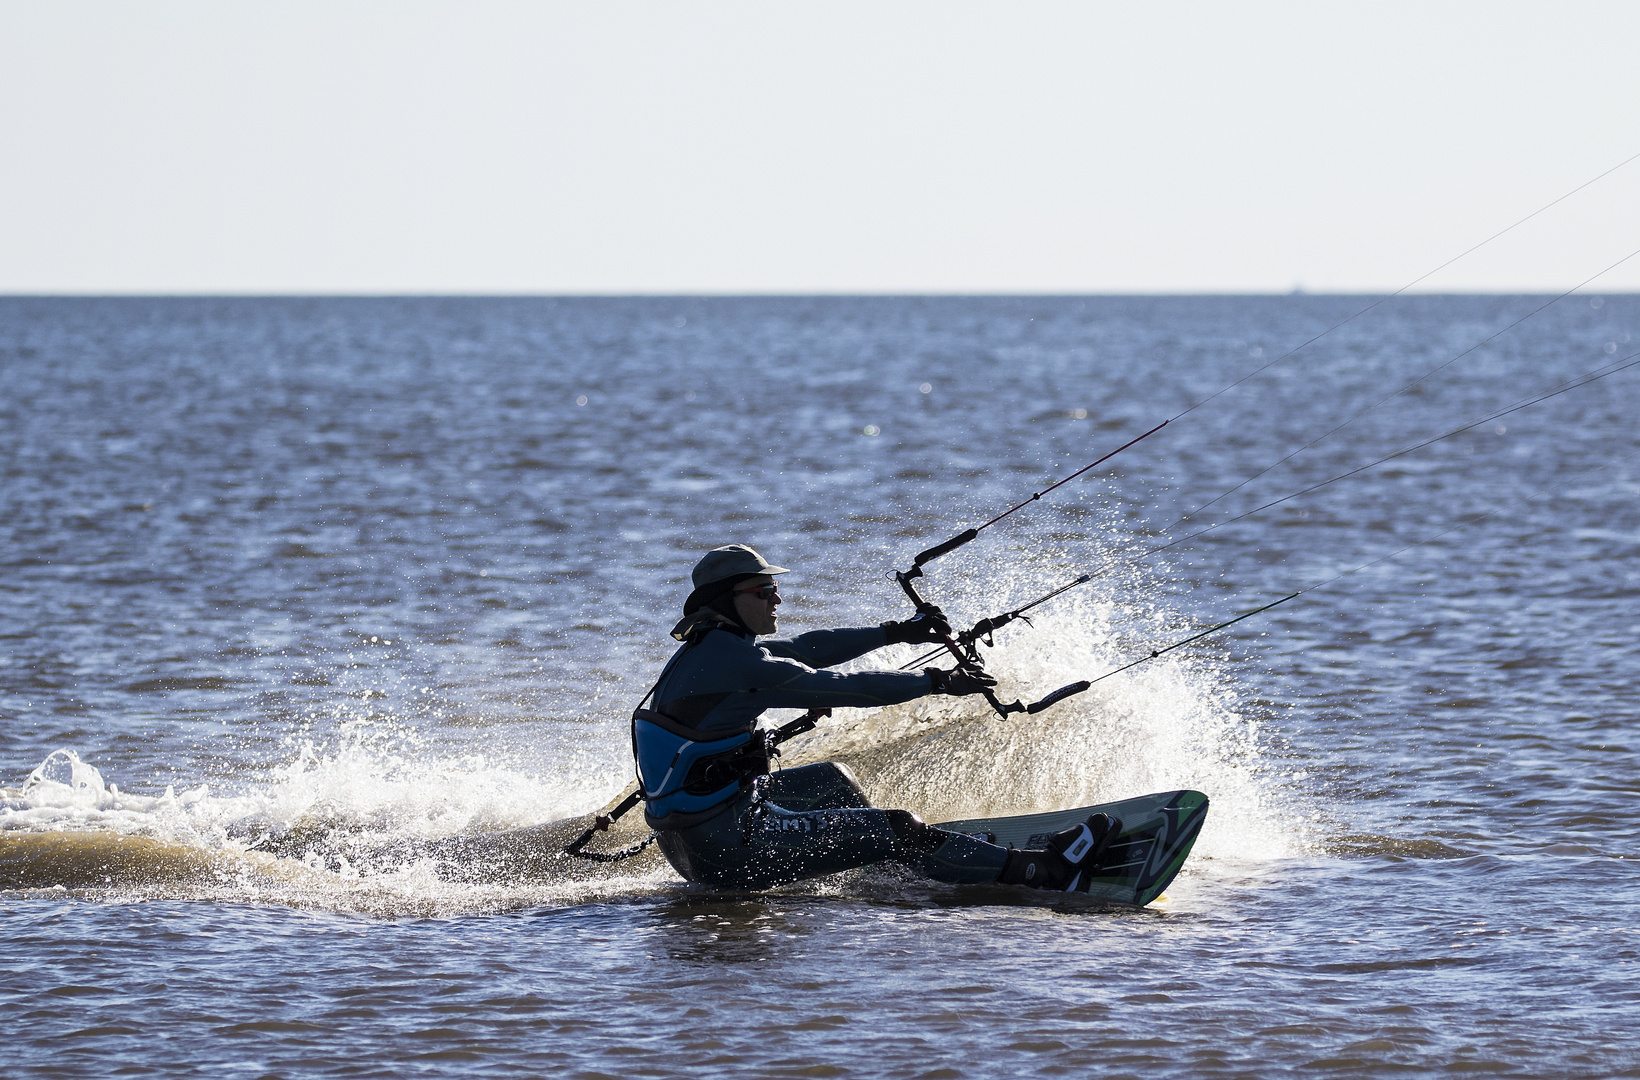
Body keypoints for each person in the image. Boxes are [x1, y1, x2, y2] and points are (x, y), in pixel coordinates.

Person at [631, 543, 1120, 892]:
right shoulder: (738, 663)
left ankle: (894, 865)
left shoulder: (713, 649)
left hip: (703, 838)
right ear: (725, 601)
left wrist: (897, 632)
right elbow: (849, 689)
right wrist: (937, 683)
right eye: (763, 591)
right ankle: (1048, 872)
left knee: (833, 781)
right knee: (898, 826)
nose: (776, 598)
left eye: (774, 588)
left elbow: (810, 649)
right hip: (732, 851)